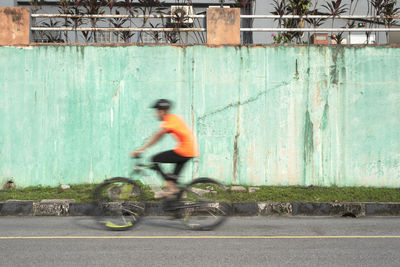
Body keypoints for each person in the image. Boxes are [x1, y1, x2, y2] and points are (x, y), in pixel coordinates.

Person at [130, 99, 199, 197]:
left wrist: (142, 149)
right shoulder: (172, 119)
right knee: (173, 180)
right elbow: (160, 135)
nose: (156, 114)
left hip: (185, 150)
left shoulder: (170, 120)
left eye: (157, 112)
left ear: (162, 111)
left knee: (155, 159)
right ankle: (174, 194)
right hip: (189, 150)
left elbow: (158, 135)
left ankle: (170, 188)